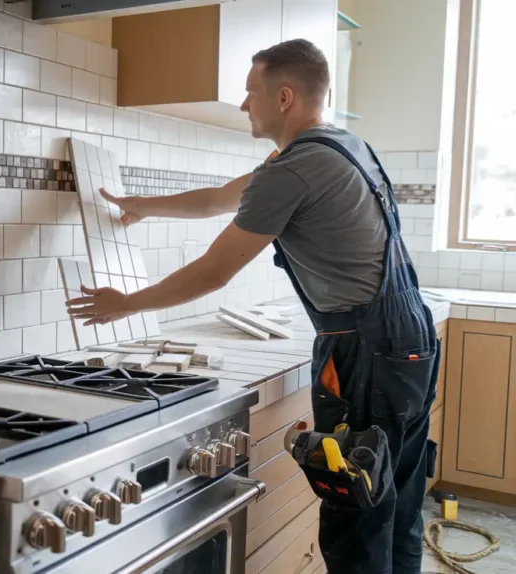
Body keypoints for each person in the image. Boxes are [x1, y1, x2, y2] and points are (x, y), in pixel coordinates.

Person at [67, 38, 440, 574]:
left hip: (367, 351)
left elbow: (213, 272)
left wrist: (124, 303)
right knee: (395, 503)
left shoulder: (292, 169)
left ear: (283, 97)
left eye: (250, 93)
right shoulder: (339, 146)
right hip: (408, 339)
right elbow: (221, 197)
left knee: (356, 515)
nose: (244, 104)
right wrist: (141, 206)